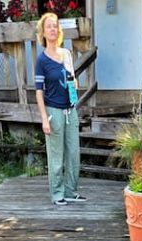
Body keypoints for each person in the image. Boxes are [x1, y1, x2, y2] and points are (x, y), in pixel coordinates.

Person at [34, 12, 87, 207]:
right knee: (56, 156)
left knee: (73, 154)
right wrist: (44, 119)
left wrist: (74, 84)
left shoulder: (67, 54)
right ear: (43, 32)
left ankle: (71, 191)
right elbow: (39, 92)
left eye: (55, 25)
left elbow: (72, 78)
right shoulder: (42, 60)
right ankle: (57, 194)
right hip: (53, 111)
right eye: (49, 26)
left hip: (70, 110)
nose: (53, 29)